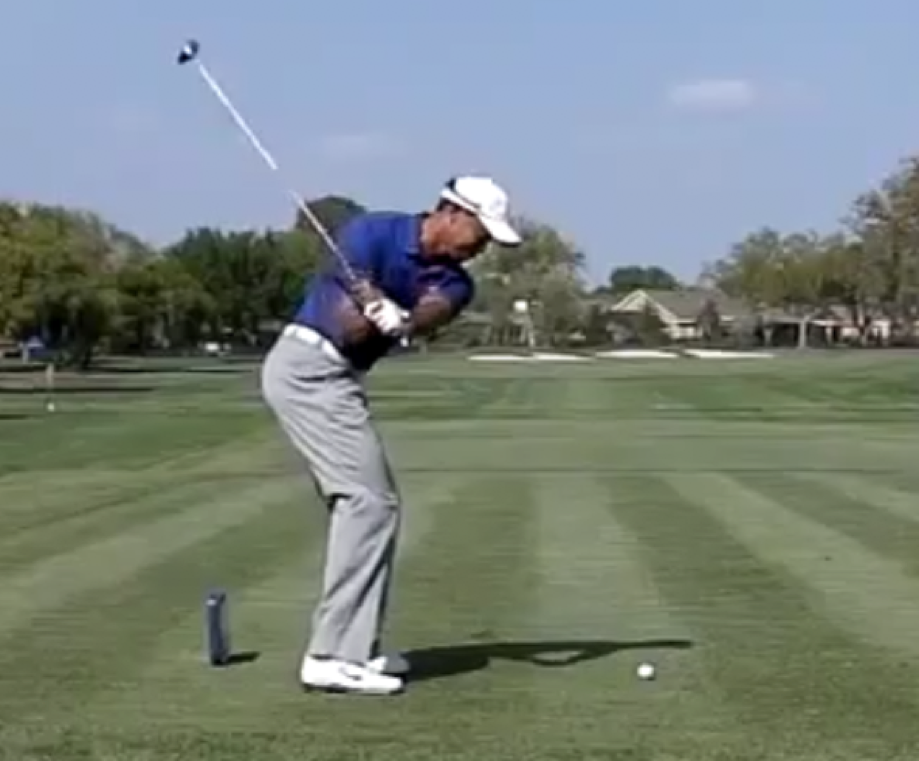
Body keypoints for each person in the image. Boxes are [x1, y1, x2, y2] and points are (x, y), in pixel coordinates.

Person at [260, 175, 521, 695]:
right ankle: (331, 656)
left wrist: (403, 319)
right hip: (306, 368)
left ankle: (355, 649)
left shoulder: (457, 282)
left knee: (370, 504)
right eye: (480, 233)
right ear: (452, 212)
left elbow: (433, 312)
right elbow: (347, 325)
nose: (482, 247)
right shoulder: (373, 231)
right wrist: (373, 306)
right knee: (368, 503)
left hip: (338, 379)